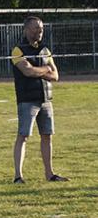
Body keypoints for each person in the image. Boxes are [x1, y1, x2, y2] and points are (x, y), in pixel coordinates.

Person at [11, 16, 66, 184]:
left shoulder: (45, 50)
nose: (40, 30)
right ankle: (18, 176)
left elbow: (55, 76)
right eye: (36, 27)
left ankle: (50, 174)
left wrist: (38, 70)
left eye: (41, 28)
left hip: (46, 100)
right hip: (27, 100)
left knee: (47, 136)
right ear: (26, 29)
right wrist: (45, 69)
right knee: (23, 136)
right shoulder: (17, 50)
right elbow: (27, 72)